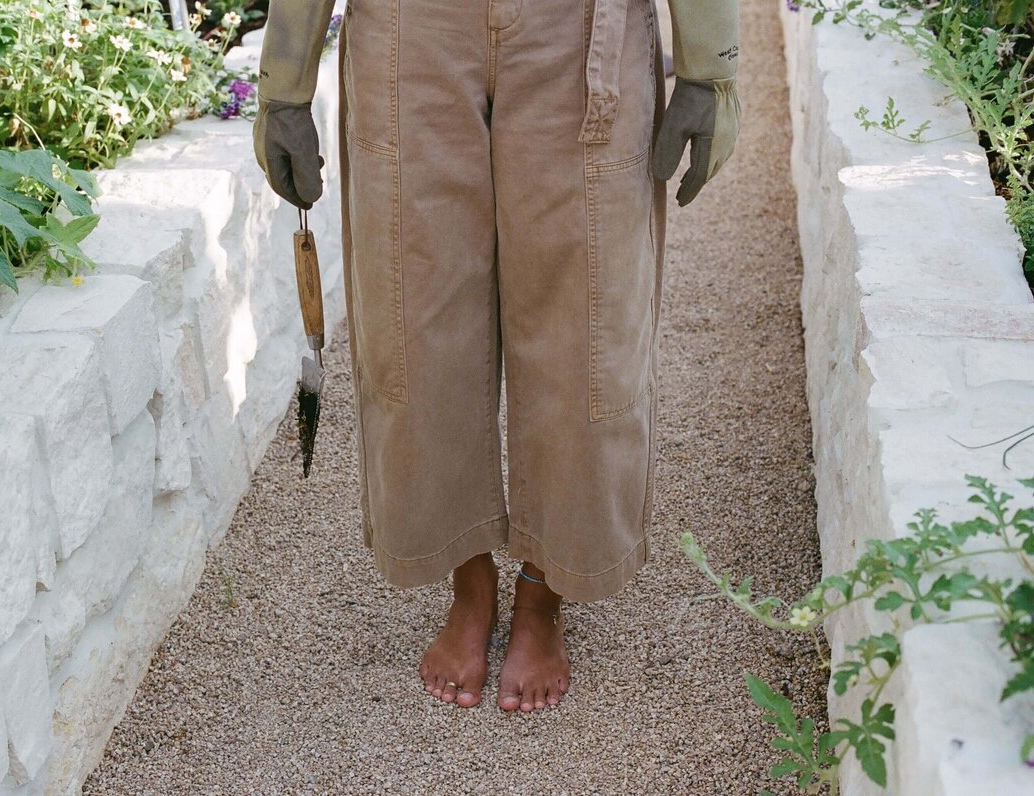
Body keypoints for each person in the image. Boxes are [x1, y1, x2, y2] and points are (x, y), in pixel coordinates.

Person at [253, 0, 739, 712]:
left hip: (576, 34)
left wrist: (710, 65)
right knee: (415, 317)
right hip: (410, 32)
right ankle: (468, 574)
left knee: (587, 327)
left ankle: (545, 588)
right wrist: (284, 81)